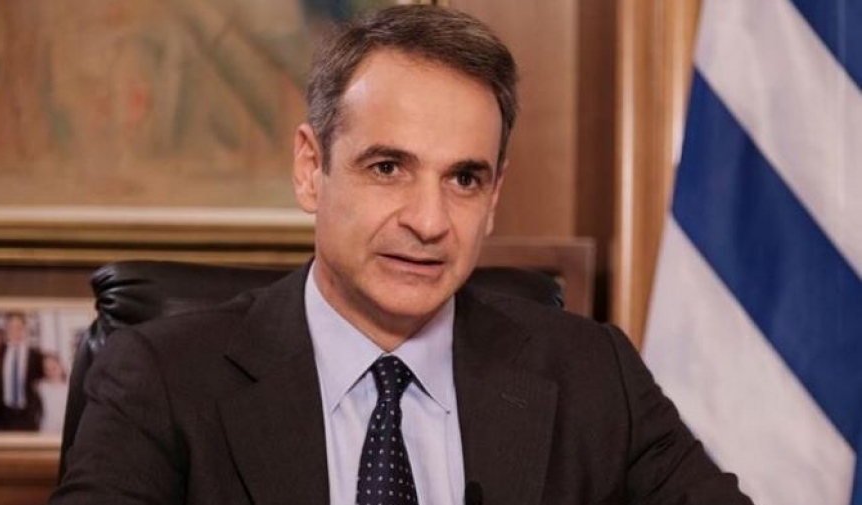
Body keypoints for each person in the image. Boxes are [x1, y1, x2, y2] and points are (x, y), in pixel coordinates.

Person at [52, 5, 753, 505]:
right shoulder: (162, 379)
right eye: (388, 168)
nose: (429, 221)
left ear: (495, 195)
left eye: (464, 179)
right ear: (310, 169)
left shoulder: (594, 377)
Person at [1, 311, 45, 431]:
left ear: (25, 329)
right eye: (11, 327)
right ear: (6, 330)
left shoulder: (36, 355)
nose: (14, 331)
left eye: (18, 327)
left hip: (28, 413)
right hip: (3, 414)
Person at [36, 353, 69, 434]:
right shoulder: (40, 387)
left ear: (61, 366)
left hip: (64, 431)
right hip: (46, 431)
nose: (51, 372)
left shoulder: (69, 388)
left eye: (53, 368)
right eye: (47, 369)